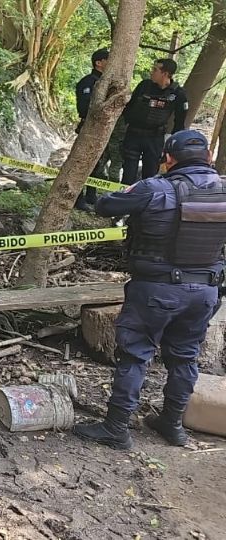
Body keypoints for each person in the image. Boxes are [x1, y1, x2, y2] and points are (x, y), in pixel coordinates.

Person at [73, 130, 226, 450]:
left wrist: (141, 185)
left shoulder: (154, 188)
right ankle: (172, 425)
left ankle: (116, 428)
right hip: (205, 292)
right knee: (185, 359)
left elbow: (105, 206)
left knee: (135, 355)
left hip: (156, 290)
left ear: (169, 159)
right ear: (209, 158)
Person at [121, 58, 189, 185]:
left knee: (150, 175)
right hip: (133, 135)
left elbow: (180, 121)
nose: (151, 72)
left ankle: (147, 203)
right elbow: (128, 108)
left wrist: (172, 143)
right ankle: (125, 202)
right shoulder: (144, 86)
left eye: (155, 70)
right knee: (128, 174)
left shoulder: (178, 93)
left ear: (165, 73)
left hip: (154, 138)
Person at [74, 48, 110, 211]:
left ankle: (91, 195)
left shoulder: (109, 83)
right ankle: (78, 198)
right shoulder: (88, 82)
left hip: (104, 129)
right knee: (81, 164)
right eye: (108, 59)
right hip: (89, 127)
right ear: (99, 63)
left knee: (97, 164)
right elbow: (83, 107)